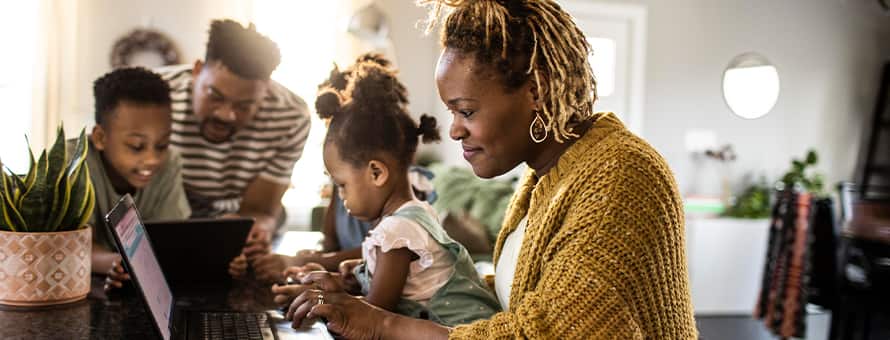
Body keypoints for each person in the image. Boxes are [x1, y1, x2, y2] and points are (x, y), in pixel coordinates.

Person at [284, 0, 698, 338]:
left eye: (466, 110)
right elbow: (525, 299)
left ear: (535, 90)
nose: (454, 130)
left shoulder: (621, 175)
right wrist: (362, 286)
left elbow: (551, 332)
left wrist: (382, 323)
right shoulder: (541, 178)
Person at [278, 56, 500, 326]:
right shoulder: (414, 215)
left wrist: (324, 298)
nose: (341, 196)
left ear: (376, 173)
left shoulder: (398, 231)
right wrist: (344, 279)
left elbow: (372, 314)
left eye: (342, 185)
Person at [248, 55, 437, 283]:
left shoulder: (405, 200)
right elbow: (331, 242)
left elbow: (387, 255)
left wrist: (307, 264)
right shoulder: (348, 182)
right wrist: (315, 262)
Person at [155, 19, 311, 260]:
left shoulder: (291, 116)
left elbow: (260, 210)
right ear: (197, 71)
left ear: (266, 89)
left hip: (240, 220)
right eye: (215, 96)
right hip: (167, 217)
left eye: (244, 105)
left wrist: (255, 231)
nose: (226, 115)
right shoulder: (155, 97)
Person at [79, 67, 191, 290]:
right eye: (136, 146)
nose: (152, 159)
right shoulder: (76, 164)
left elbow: (170, 240)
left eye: (162, 145)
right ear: (100, 137)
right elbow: (70, 247)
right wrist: (122, 264)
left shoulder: (169, 163)